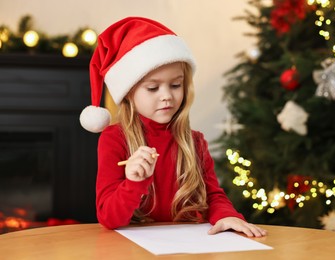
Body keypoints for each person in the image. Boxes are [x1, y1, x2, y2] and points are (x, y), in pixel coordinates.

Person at [79, 16, 267, 237]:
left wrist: (227, 215)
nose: (167, 96)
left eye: (176, 85)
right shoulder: (115, 138)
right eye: (152, 88)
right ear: (129, 93)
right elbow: (109, 219)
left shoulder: (194, 141)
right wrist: (133, 183)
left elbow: (213, 196)